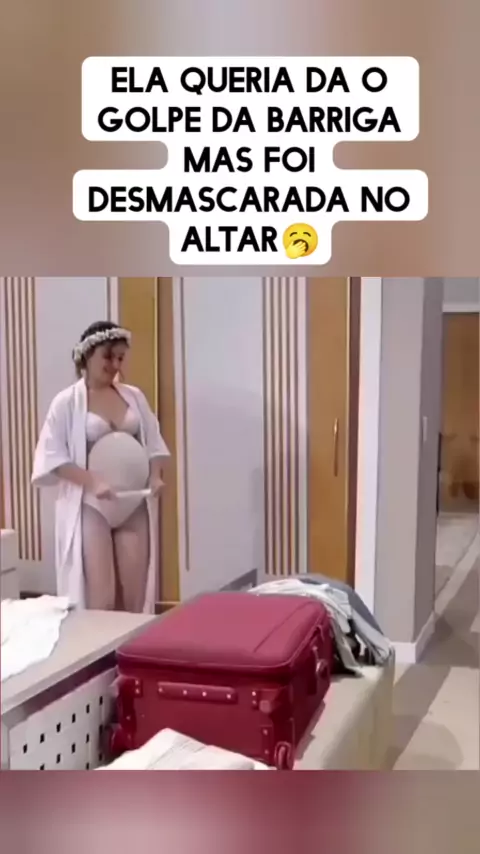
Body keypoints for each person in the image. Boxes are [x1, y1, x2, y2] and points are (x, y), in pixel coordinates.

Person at [31, 320, 170, 613]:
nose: (115, 365)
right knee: (102, 595)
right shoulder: (66, 402)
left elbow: (154, 443)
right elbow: (52, 457)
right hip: (92, 505)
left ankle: (132, 642)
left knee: (134, 595)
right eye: (108, 356)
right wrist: (92, 481)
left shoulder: (134, 396)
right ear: (87, 355)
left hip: (133, 502)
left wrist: (156, 476)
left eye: (120, 358)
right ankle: (99, 643)